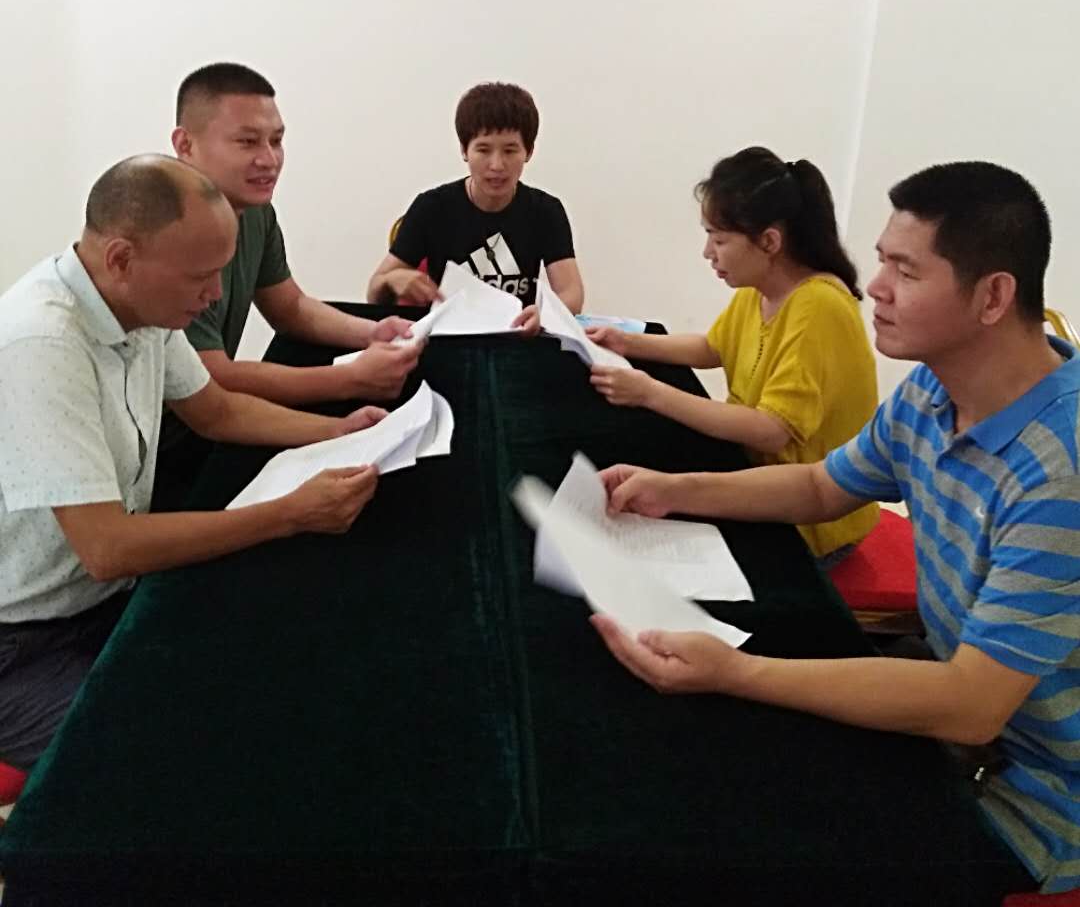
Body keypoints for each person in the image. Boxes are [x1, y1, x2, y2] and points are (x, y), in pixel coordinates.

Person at [593, 160, 1080, 894]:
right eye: (882, 261)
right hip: (962, 716)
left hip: (1037, 794)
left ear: (992, 296)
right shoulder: (933, 390)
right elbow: (823, 484)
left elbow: (971, 706)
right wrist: (673, 490)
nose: (874, 287)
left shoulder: (1060, 472)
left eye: (905, 271)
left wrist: (738, 672)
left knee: (765, 862)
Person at [0, 157, 386, 770]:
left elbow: (217, 411)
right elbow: (106, 548)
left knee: (269, 655)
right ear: (121, 259)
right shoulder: (41, 343)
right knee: (183, 750)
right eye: (200, 278)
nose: (215, 296)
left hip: (102, 600)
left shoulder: (139, 306)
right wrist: (288, 514)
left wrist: (339, 433)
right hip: (22, 644)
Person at [589, 147, 878, 565]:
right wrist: (627, 343)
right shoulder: (760, 289)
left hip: (807, 522)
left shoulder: (818, 307)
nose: (708, 252)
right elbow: (712, 348)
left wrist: (650, 393)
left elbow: (770, 431)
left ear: (769, 242)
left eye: (719, 239)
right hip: (756, 476)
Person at [158, 61, 421, 505]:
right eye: (247, 142)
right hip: (163, 453)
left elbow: (290, 307)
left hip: (213, 421)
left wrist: (373, 332)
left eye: (276, 140)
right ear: (185, 144)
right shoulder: (166, 230)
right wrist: (350, 379)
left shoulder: (255, 212)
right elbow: (214, 377)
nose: (269, 159)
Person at [366, 82, 584, 330]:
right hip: (445, 338)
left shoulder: (546, 211)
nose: (497, 165)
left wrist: (544, 316)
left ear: (529, 151)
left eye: (510, 150)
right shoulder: (431, 207)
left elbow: (572, 293)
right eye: (483, 149)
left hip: (517, 338)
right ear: (464, 150)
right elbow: (373, 292)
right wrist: (392, 280)